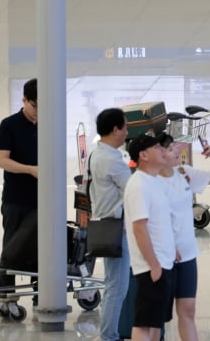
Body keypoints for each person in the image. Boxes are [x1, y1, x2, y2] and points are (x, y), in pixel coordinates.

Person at [161, 132, 210, 341]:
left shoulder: (184, 172)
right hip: (162, 256)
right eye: (171, 148)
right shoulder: (149, 182)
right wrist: (168, 246)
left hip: (187, 254)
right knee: (155, 317)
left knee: (188, 310)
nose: (178, 150)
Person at [124, 132, 176, 341]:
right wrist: (153, 264)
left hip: (164, 261)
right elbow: (139, 228)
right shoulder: (139, 185)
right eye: (157, 147)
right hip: (150, 265)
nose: (163, 150)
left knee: (155, 322)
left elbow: (159, 223)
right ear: (144, 155)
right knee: (144, 322)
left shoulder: (153, 181)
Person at [89, 108, 131, 341]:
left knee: (113, 283)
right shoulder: (111, 159)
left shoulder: (98, 154)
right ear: (115, 130)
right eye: (124, 127)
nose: (126, 132)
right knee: (117, 287)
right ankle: (109, 336)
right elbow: (132, 189)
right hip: (116, 226)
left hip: (106, 224)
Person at [0, 78, 38, 291]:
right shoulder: (9, 125)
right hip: (16, 199)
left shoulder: (49, 125)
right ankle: (5, 296)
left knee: (40, 249)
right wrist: (30, 169)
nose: (38, 111)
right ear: (24, 100)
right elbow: (3, 160)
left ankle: (41, 294)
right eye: (35, 106)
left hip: (41, 199)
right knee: (12, 248)